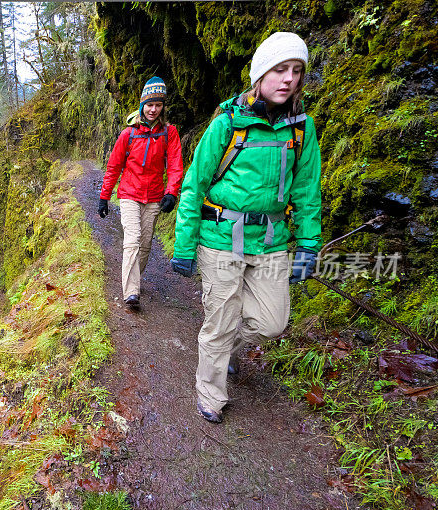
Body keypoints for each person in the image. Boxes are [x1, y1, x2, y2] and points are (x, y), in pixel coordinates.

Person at [170, 32, 322, 423]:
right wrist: (184, 246)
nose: (288, 79)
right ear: (260, 74)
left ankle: (222, 350)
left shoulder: (301, 130)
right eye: (279, 69)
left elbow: (306, 191)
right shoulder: (228, 123)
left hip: (271, 242)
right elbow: (194, 185)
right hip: (220, 238)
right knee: (220, 321)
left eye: (296, 71)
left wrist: (308, 244)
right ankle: (211, 394)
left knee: (272, 324)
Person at [99, 77, 184, 310]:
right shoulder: (129, 134)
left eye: (158, 105)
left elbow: (175, 164)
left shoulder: (169, 133)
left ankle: (134, 278)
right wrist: (104, 197)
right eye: (149, 104)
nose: (153, 109)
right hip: (129, 194)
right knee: (133, 239)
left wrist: (172, 192)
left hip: (155, 196)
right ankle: (131, 292)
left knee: (145, 245)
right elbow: (114, 166)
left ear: (163, 107)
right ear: (142, 105)